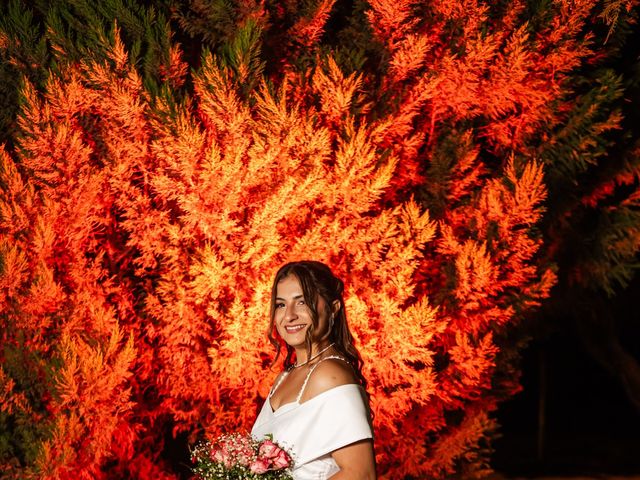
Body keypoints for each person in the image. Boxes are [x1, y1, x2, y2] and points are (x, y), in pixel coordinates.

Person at [251, 261, 376, 480]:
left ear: (333, 308)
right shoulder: (283, 378)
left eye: (302, 303)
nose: (289, 316)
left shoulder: (330, 375)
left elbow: (361, 475)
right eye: (281, 305)